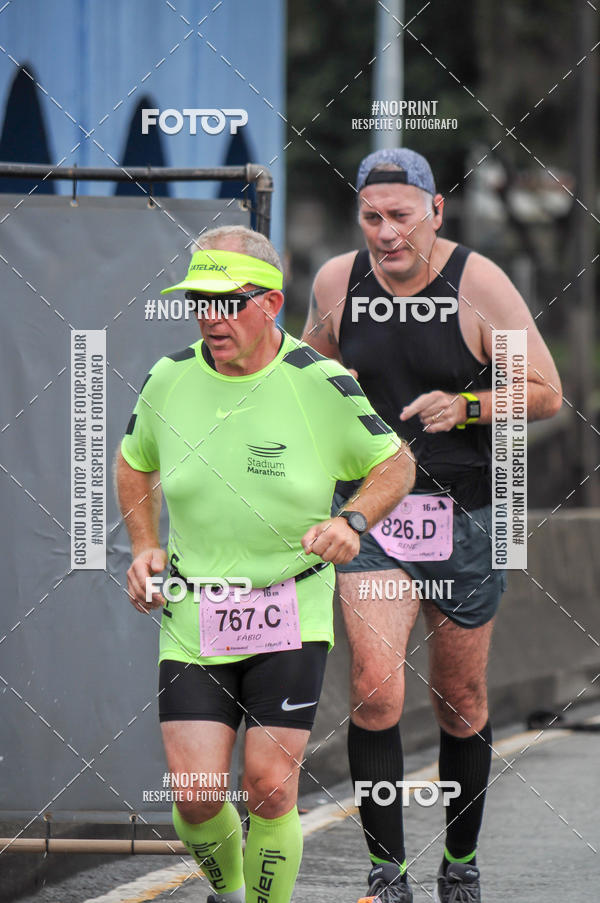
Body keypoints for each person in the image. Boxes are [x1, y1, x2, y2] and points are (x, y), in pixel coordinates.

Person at [116, 225, 416, 903]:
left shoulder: (321, 382)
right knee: (195, 796)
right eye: (200, 301)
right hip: (196, 608)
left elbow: (396, 463)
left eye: (228, 302)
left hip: (289, 607)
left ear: (271, 304)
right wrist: (143, 545)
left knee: (270, 784)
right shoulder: (169, 377)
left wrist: (351, 520)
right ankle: (233, 892)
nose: (211, 319)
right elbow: (135, 462)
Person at [302, 148, 562, 903]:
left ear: (436, 210)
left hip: (465, 514)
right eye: (371, 217)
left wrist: (470, 404)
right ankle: (389, 875)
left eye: (401, 217)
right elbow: (311, 373)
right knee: (376, 693)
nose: (385, 233)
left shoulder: (477, 284)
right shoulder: (336, 282)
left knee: (460, 698)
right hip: (373, 513)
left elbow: (544, 390)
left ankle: (461, 860)